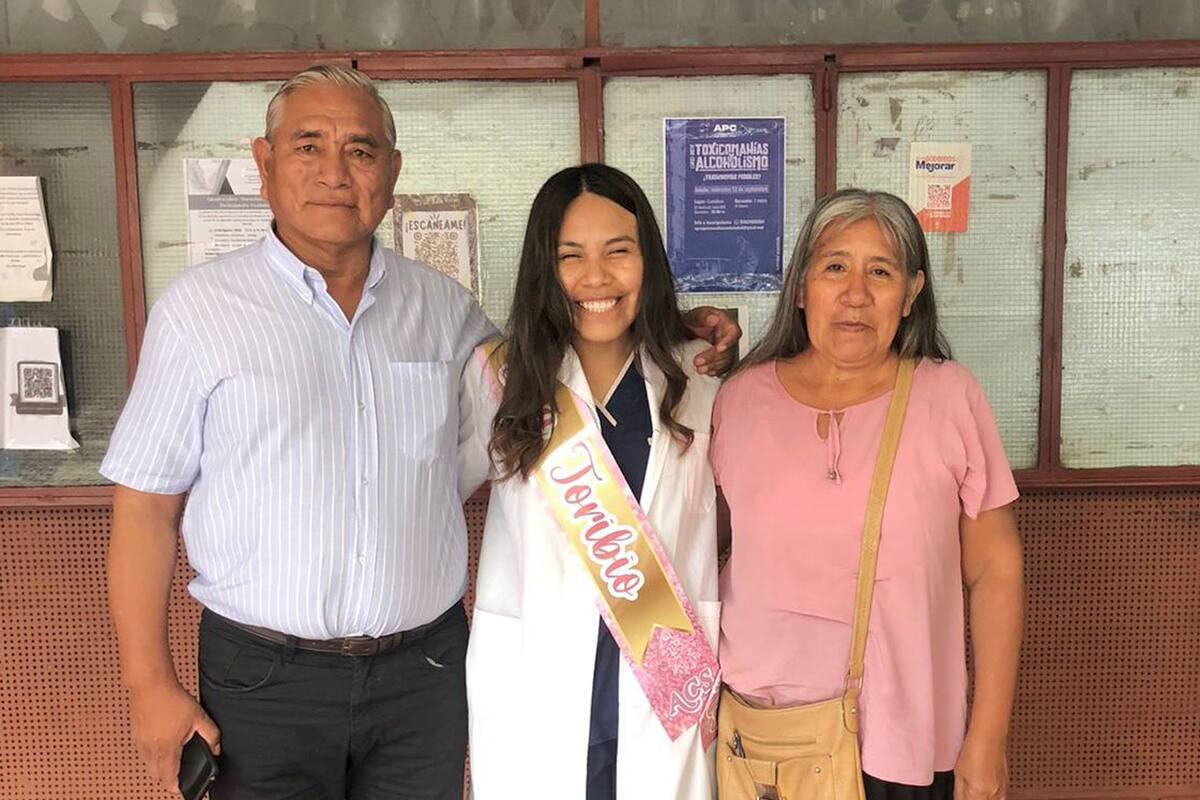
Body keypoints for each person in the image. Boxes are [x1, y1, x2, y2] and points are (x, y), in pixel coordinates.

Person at [103, 66, 738, 799]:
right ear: (264, 160)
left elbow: (562, 352)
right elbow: (144, 506)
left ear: (392, 170)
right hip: (266, 679)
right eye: (308, 145)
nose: (335, 171)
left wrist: (681, 325)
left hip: (419, 681)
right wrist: (148, 682)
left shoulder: (444, 311)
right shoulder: (199, 312)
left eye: (361, 150)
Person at [711, 189, 1024, 800]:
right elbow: (704, 548)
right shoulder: (740, 400)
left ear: (910, 294)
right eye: (835, 268)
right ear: (801, 287)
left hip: (905, 744)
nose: (855, 294)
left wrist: (987, 738)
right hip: (767, 742)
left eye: (879, 272)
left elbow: (996, 570)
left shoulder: (949, 398)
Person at [458, 164, 722, 799]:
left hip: (662, 676)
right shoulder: (498, 375)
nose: (595, 278)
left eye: (618, 252)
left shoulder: (700, 378)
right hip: (536, 680)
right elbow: (429, 490)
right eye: (569, 256)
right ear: (543, 270)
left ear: (648, 262)